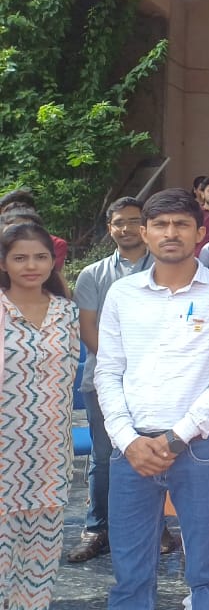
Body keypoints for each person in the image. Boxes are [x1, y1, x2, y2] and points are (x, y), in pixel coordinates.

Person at [95, 188, 209, 610]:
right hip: (131, 449)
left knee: (208, 569)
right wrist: (128, 440)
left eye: (181, 224)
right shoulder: (122, 293)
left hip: (198, 448)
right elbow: (107, 371)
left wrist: (177, 436)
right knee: (130, 574)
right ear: (144, 233)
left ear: (200, 233)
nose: (170, 233)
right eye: (160, 225)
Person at [68, 197, 156, 563]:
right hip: (103, 380)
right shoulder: (93, 274)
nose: (127, 228)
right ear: (110, 228)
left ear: (145, 226)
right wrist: (122, 368)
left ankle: (156, 528)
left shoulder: (168, 269)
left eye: (134, 221)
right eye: (119, 222)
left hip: (159, 381)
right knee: (104, 457)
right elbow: (88, 328)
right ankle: (97, 528)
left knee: (156, 453)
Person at [0, 222, 78, 610]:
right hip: (4, 457)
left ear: (52, 261)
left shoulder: (67, 312)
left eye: (39, 257)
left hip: (50, 459)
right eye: (20, 257)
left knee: (39, 567)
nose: (31, 266)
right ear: (3, 263)